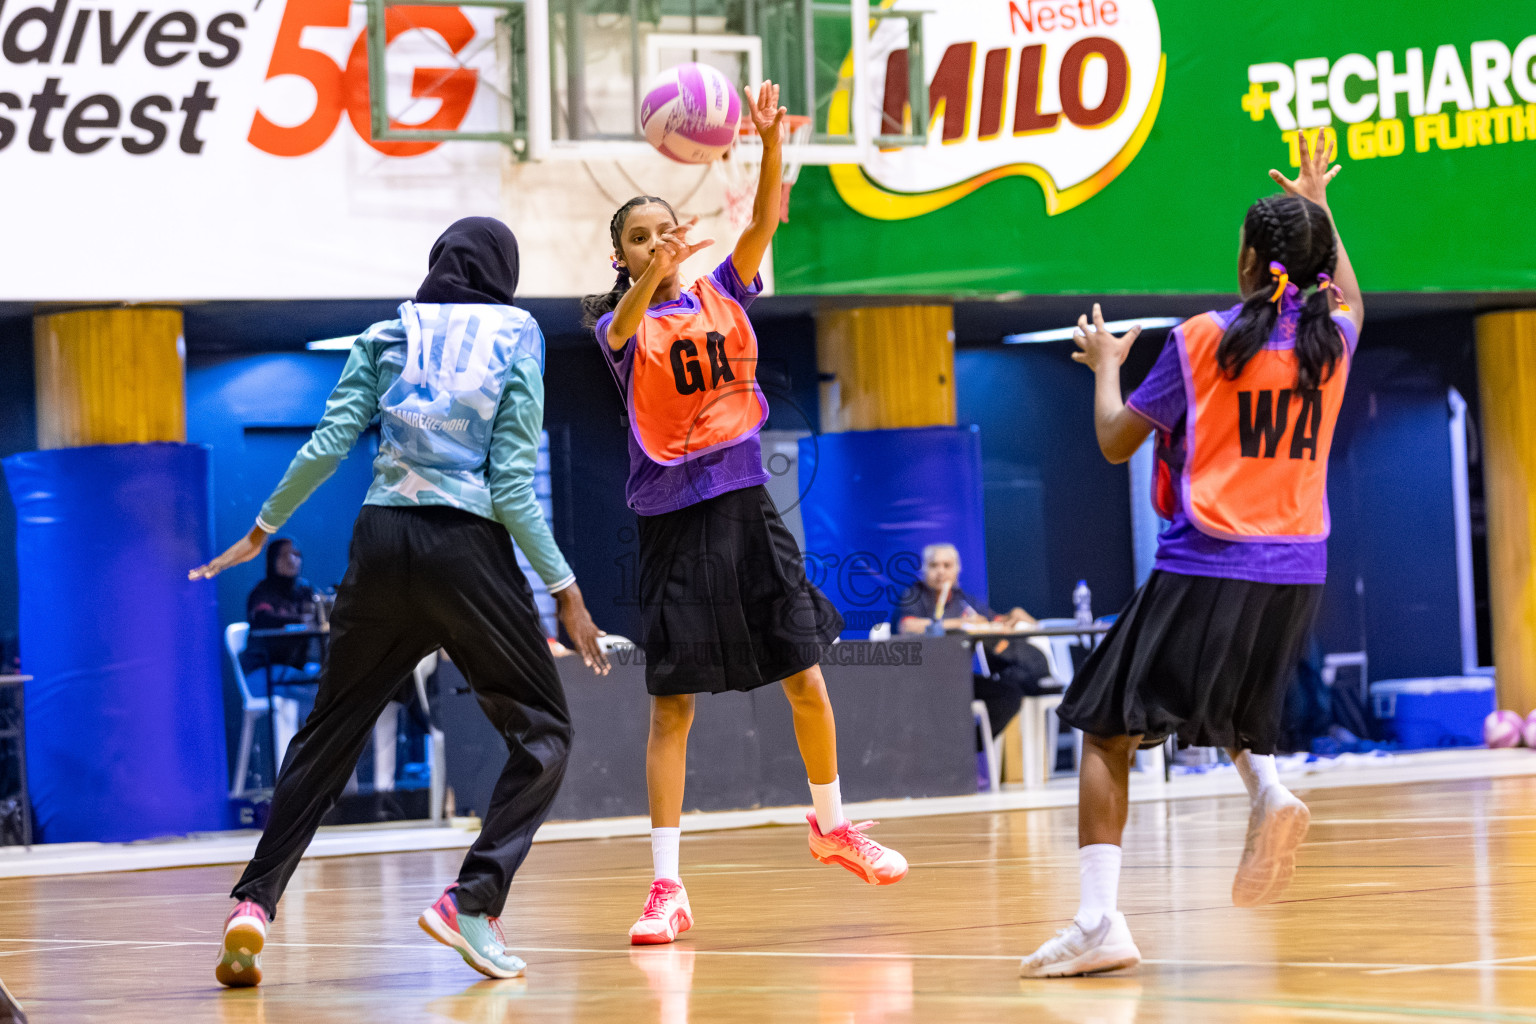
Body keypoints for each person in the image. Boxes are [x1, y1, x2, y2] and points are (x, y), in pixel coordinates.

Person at [189, 216, 609, 987]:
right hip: (465, 550)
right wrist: (566, 590)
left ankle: (254, 903)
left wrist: (262, 530)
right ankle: (471, 902)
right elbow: (513, 485)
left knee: (328, 733)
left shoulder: (388, 333)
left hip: (380, 542)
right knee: (544, 731)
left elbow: (326, 444)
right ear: (503, 272)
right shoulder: (517, 333)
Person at [1019, 135, 1364, 978]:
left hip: (1211, 557)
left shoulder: (1203, 339)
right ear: (1320, 266)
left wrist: (1107, 366)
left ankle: (1099, 922)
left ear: (1246, 260)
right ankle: (1271, 792)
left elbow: (1114, 441)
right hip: (1298, 569)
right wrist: (1320, 209)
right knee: (1230, 710)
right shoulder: (1335, 344)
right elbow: (1351, 295)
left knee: (1104, 730)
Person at [581, 81, 908, 947]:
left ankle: (833, 826)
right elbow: (622, 327)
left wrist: (767, 143)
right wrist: (650, 277)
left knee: (805, 674)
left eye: (664, 230)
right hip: (673, 526)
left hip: (746, 507)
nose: (657, 243)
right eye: (639, 238)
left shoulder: (724, 291)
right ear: (620, 257)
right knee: (673, 707)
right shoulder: (620, 328)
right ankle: (666, 888)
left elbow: (763, 221)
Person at [893, 543, 1055, 736]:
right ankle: (948, 745)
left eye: (947, 565)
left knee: (1009, 695)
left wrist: (1014, 616)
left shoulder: (962, 599)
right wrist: (958, 624)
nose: (941, 572)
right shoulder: (914, 595)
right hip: (922, 679)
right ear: (924, 570)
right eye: (934, 565)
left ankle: (971, 744)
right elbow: (908, 626)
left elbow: (991, 621)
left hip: (959, 678)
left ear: (957, 569)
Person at [242, 537, 321, 769]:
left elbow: (320, 617)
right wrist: (301, 621)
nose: (292, 560)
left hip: (293, 672)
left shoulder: (305, 591)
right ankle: (301, 767)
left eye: (296, 555)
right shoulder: (261, 594)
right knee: (316, 692)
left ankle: (316, 765)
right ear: (272, 560)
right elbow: (265, 620)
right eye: (285, 555)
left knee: (328, 683)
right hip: (263, 673)